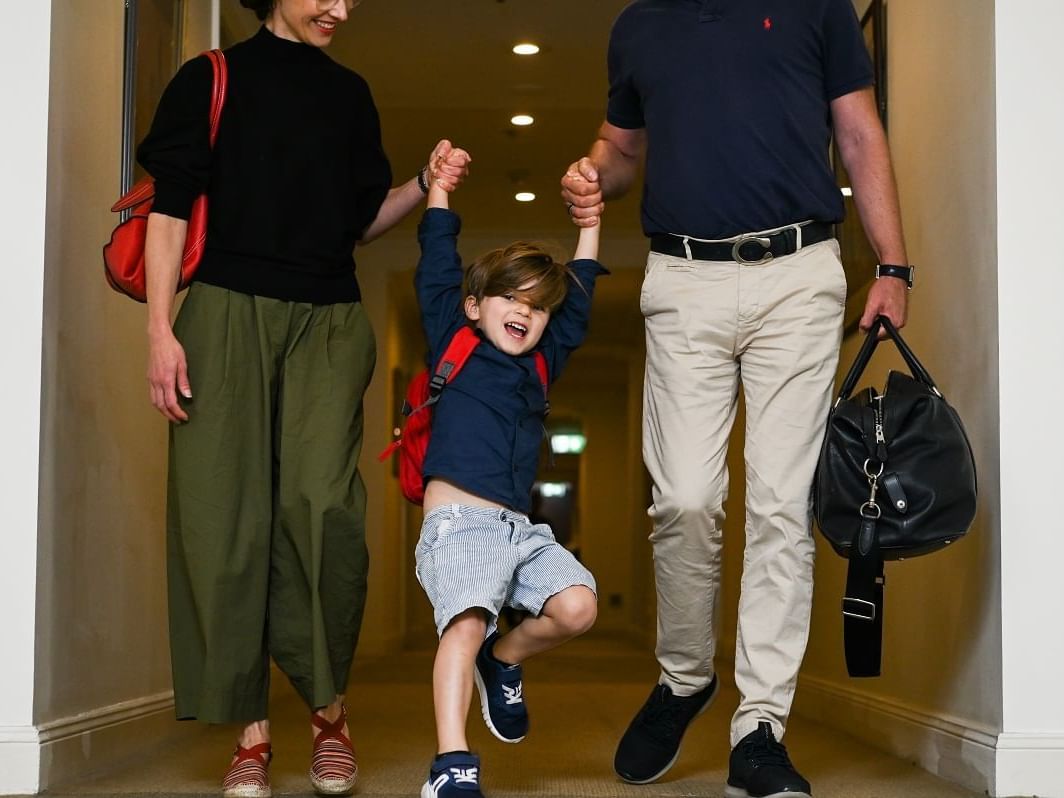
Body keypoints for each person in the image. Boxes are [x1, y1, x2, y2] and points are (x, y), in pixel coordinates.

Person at [561, 2, 913, 796]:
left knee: (781, 507)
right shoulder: (638, 25)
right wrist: (593, 174)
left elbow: (858, 131)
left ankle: (761, 725)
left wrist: (892, 265)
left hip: (798, 273)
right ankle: (685, 678)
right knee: (684, 499)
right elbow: (622, 149)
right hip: (683, 279)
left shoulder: (815, 8)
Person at [137, 1, 468, 796]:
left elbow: (360, 222)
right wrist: (158, 330)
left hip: (327, 319)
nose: (340, 8)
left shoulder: (348, 93)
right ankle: (250, 732)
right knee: (223, 515)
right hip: (222, 314)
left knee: (323, 507)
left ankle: (328, 712)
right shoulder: (206, 80)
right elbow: (169, 209)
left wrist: (421, 185)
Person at [412, 149, 605, 798]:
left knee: (578, 606)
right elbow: (438, 256)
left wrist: (592, 219)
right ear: (474, 305)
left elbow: (579, 293)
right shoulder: (452, 335)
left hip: (520, 530)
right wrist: (439, 189)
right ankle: (452, 763)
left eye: (539, 306)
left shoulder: (542, 363)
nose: (526, 310)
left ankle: (507, 659)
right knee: (465, 621)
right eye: (510, 297)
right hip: (457, 524)